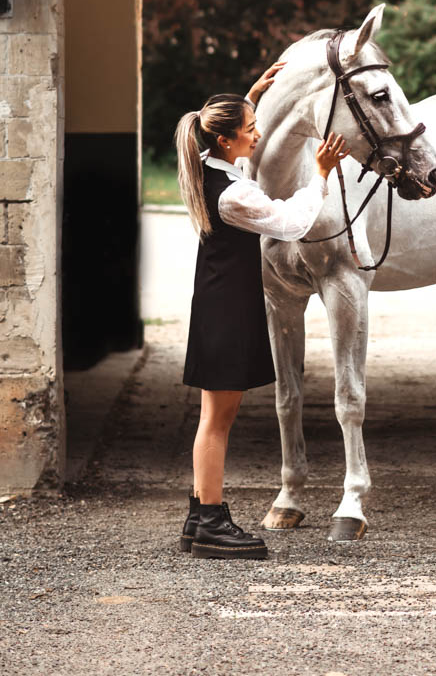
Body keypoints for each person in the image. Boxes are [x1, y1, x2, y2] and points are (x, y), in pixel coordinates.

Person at [173, 62, 349, 559]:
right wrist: (319, 174)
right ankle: (208, 521)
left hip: (219, 299)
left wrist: (248, 98)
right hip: (226, 306)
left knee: (217, 415)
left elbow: (235, 153)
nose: (258, 136)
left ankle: (199, 515)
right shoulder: (232, 194)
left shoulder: (211, 165)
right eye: (250, 130)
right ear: (226, 140)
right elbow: (291, 222)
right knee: (217, 418)